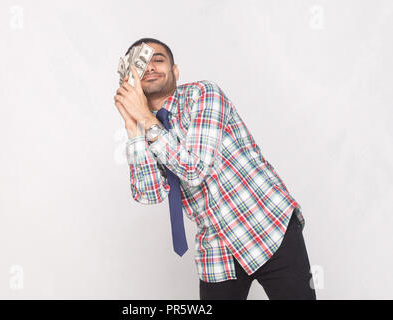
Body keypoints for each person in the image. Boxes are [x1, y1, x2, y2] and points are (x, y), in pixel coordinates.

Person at [113, 37, 316, 300]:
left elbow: (194, 170)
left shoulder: (203, 94)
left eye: (158, 59)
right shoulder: (146, 126)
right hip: (216, 248)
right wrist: (132, 128)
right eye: (142, 63)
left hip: (267, 226)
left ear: (175, 71)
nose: (149, 67)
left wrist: (146, 120)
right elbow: (148, 193)